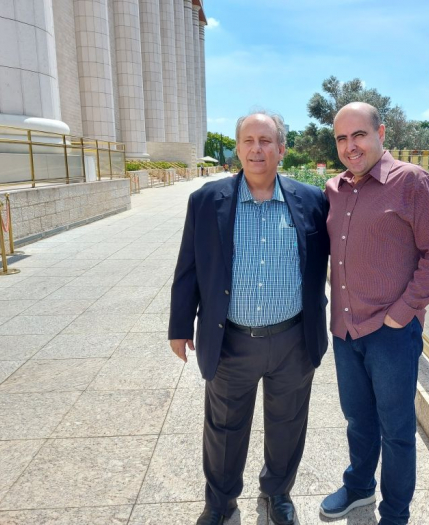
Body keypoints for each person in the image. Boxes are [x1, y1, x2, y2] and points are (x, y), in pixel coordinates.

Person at [169, 111, 330, 525]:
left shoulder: (311, 201)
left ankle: (277, 493)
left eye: (265, 140)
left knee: (287, 425)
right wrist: (179, 326)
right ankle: (220, 502)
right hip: (229, 340)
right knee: (223, 430)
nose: (256, 148)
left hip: (293, 340)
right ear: (238, 148)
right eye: (248, 140)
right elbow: (189, 265)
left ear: (281, 149)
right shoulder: (207, 200)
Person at [321, 102, 429, 525]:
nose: (350, 146)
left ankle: (394, 515)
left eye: (358, 134)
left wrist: (403, 313)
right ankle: (359, 487)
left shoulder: (412, 182)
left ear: (381, 132)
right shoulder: (334, 188)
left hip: (391, 333)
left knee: (396, 431)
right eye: (342, 138)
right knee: (357, 418)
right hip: (345, 329)